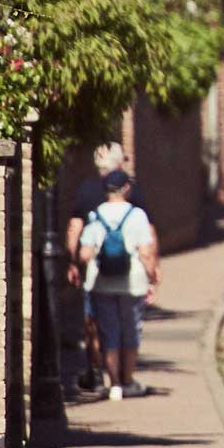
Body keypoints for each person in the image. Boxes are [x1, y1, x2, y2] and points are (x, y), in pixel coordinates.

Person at [76, 171, 159, 400]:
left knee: (109, 332)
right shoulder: (137, 215)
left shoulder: (96, 215)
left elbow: (84, 253)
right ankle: (128, 381)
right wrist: (152, 278)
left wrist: (82, 266)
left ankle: (114, 385)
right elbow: (146, 253)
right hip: (132, 283)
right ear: (125, 189)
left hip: (101, 283)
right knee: (131, 331)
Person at [64, 144, 128, 389]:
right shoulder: (130, 191)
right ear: (120, 164)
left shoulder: (86, 190)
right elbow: (147, 233)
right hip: (127, 276)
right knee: (121, 323)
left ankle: (97, 369)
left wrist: (72, 263)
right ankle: (120, 376)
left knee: (92, 321)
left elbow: (74, 228)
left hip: (93, 272)